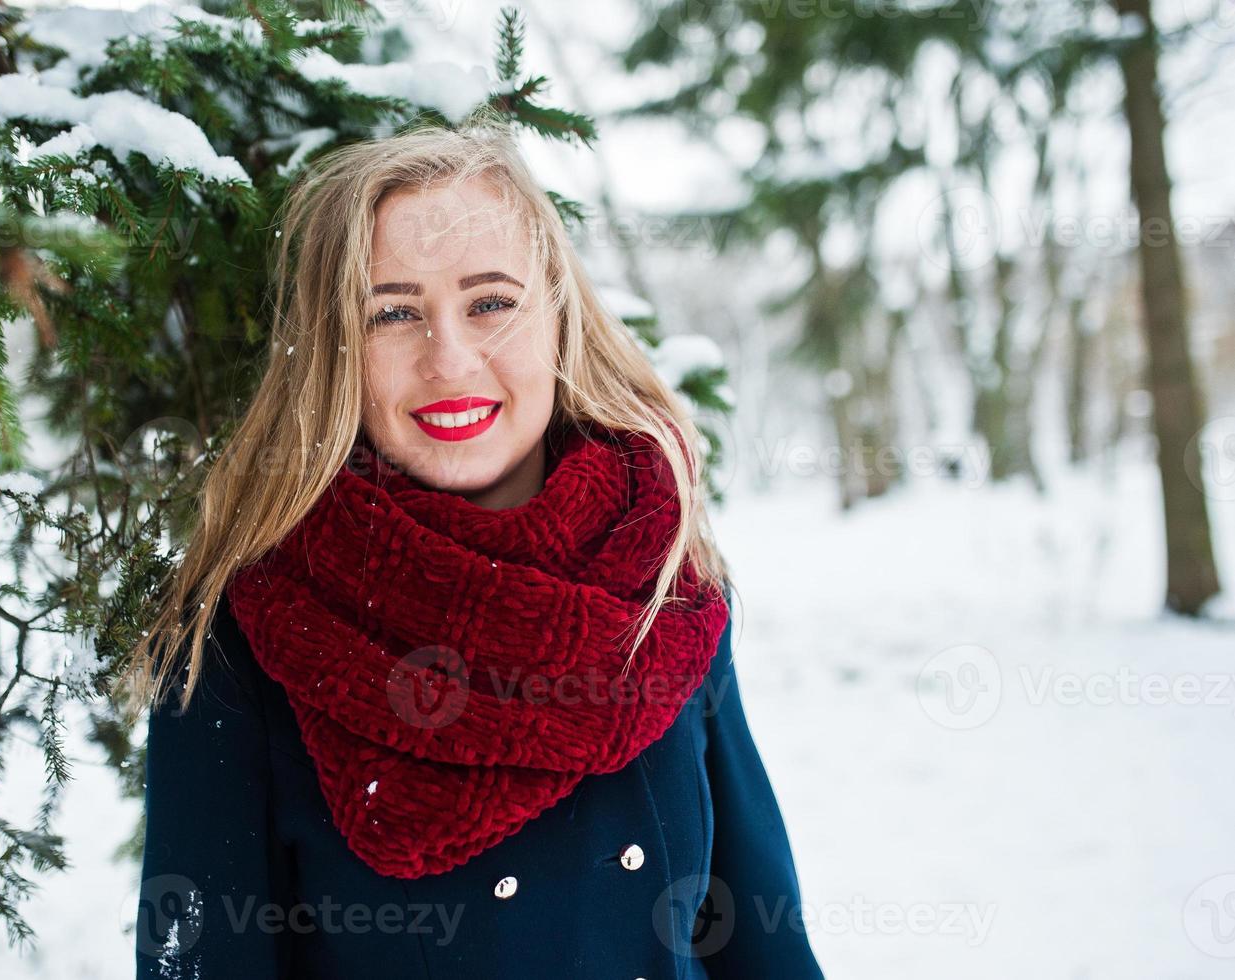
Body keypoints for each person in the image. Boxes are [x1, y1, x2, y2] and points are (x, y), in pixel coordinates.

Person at [118, 120, 825, 979]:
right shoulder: (241, 637)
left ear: (557, 316)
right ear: (337, 349)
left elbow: (761, 940)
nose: (448, 359)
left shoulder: (658, 574)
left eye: (490, 302)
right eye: (393, 313)